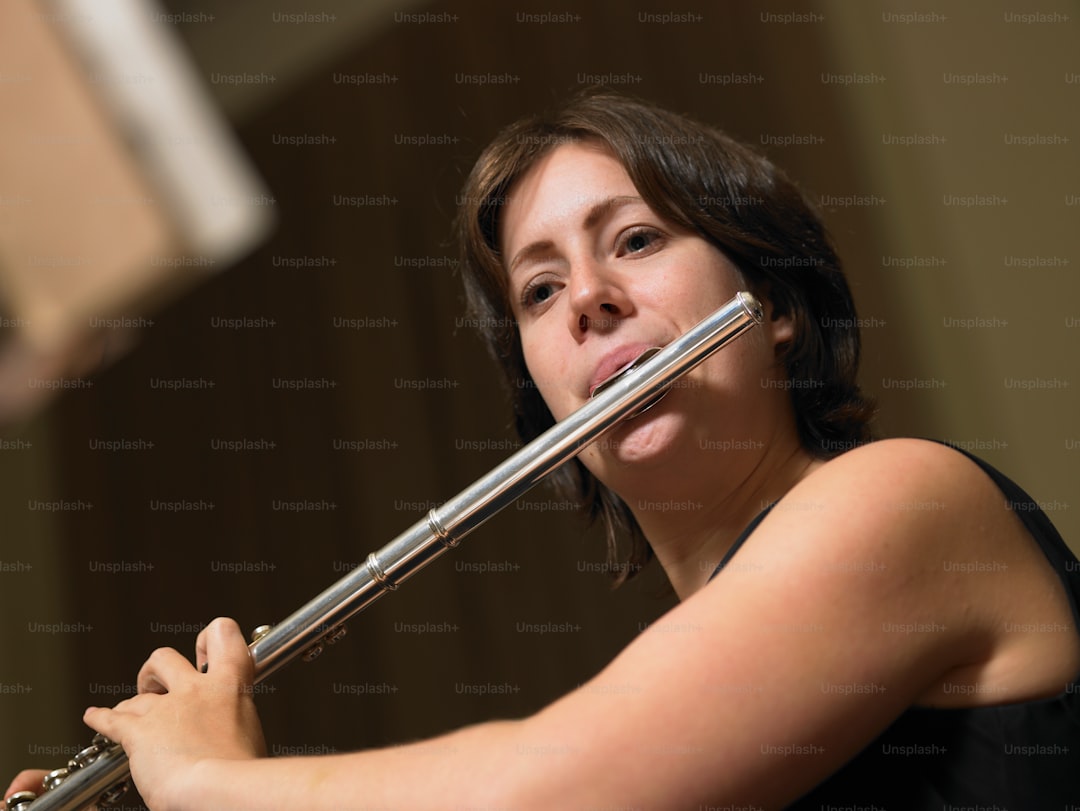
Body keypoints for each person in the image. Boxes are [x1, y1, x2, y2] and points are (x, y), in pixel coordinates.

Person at [7, 92, 1079, 810]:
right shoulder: (685, 715)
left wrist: (207, 780)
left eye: (637, 240)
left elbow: (539, 790)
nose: (590, 301)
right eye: (539, 287)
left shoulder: (904, 499)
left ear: (774, 301)